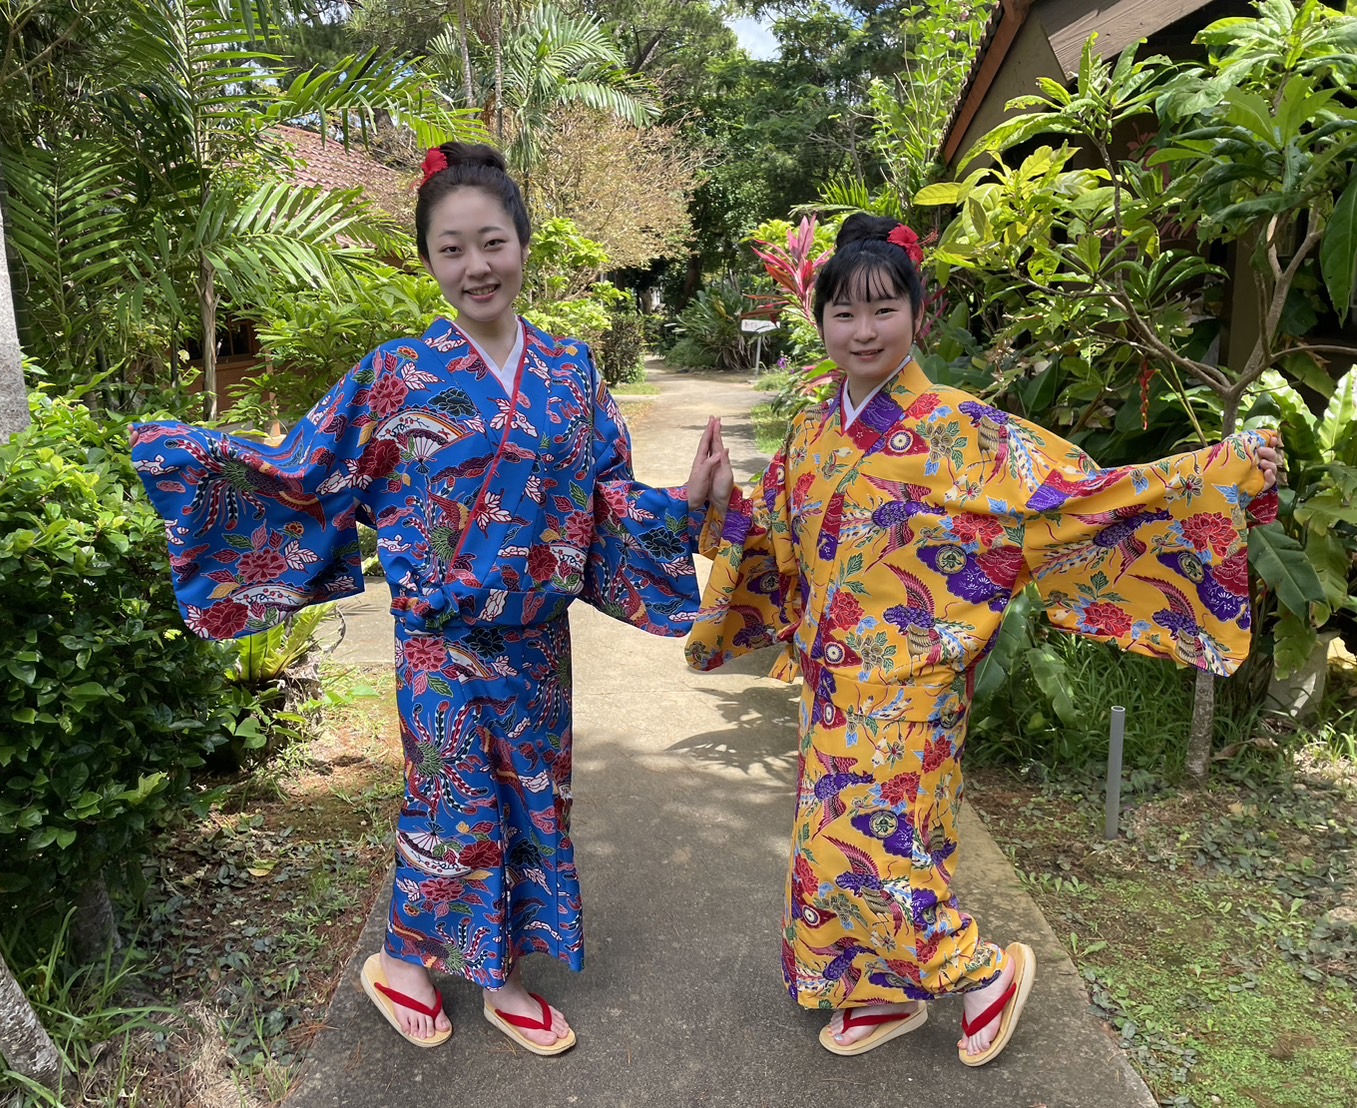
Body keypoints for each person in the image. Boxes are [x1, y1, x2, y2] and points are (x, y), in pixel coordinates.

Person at [131, 142, 731, 1056]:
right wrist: (195, 465)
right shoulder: (395, 374)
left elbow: (606, 504)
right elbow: (305, 475)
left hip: (534, 644)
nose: (474, 266)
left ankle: (493, 969)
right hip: (435, 645)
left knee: (537, 803)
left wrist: (685, 507)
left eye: (490, 242)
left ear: (523, 246)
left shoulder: (572, 375)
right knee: (451, 803)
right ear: (429, 261)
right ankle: (420, 966)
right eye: (450, 250)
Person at [686, 214, 1281, 1065]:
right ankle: (875, 991)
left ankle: (982, 971)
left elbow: (1077, 498)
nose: (862, 331)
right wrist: (715, 504)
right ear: (816, 320)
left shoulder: (964, 430)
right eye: (843, 313)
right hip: (832, 681)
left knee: (875, 842)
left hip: (917, 678)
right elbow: (776, 539)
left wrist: (1222, 469)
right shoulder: (814, 426)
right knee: (841, 842)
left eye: (883, 309)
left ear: (916, 316)